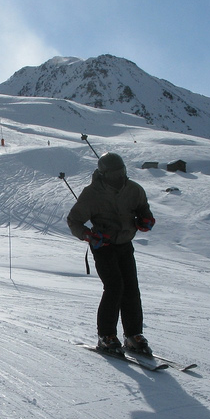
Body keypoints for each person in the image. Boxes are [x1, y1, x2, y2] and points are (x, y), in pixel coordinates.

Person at [66, 152, 155, 355]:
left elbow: (143, 209)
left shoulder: (133, 189)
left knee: (131, 288)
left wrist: (145, 219)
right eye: (114, 174)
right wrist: (88, 235)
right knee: (115, 287)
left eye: (121, 172)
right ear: (103, 174)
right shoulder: (92, 194)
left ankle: (133, 335)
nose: (119, 177)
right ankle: (106, 336)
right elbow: (74, 220)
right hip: (103, 247)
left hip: (125, 244)